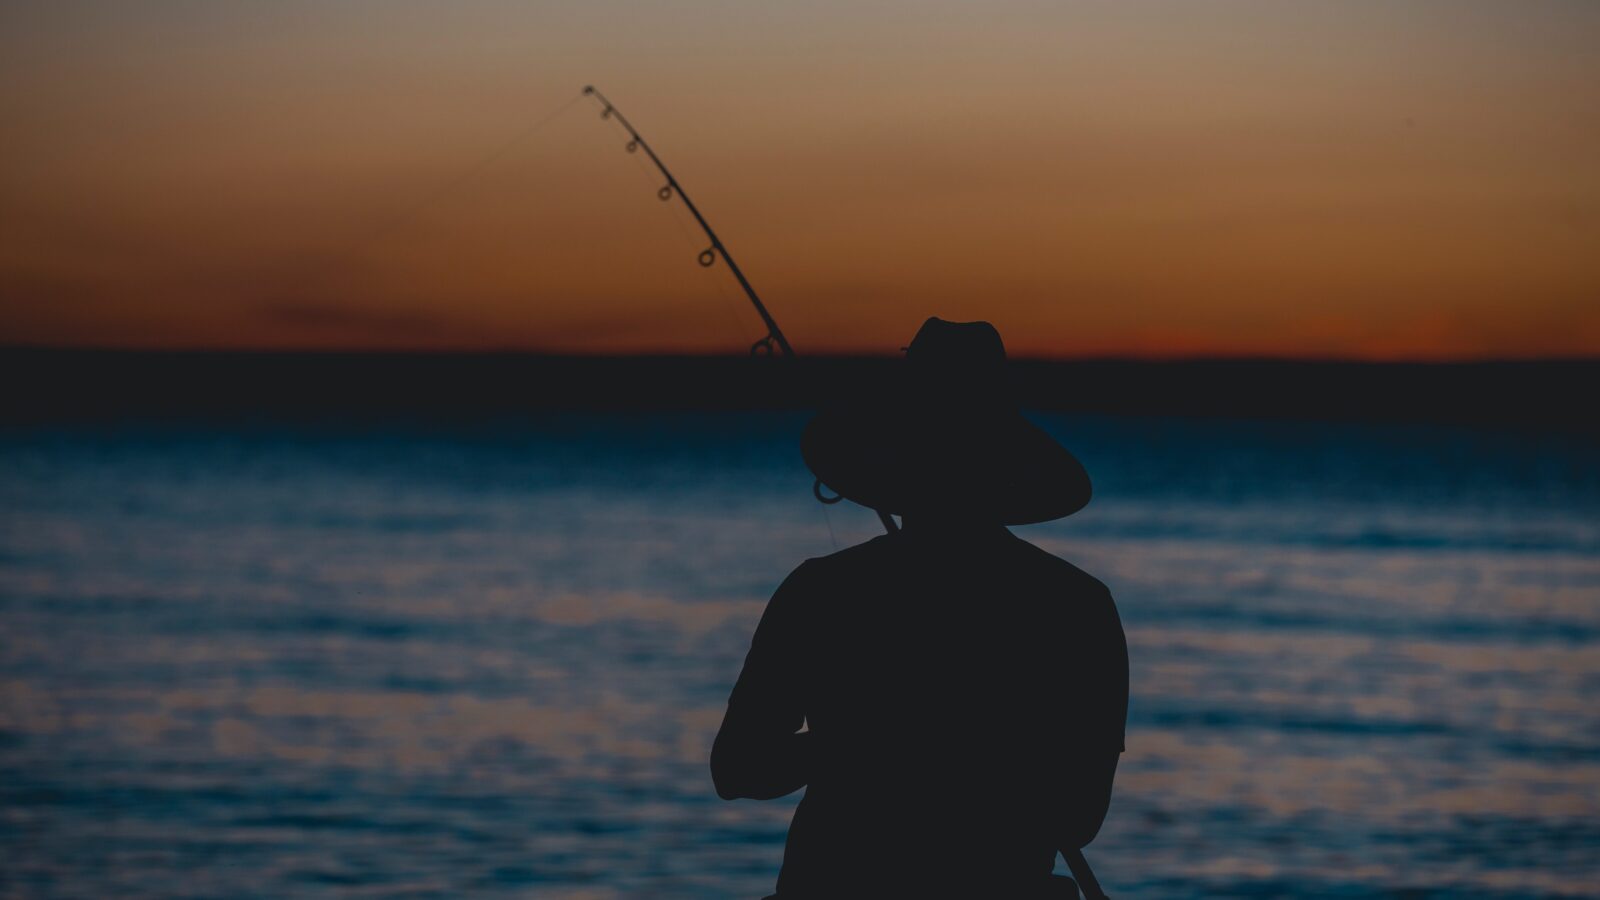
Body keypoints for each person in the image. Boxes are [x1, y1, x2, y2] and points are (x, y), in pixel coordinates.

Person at [711, 318, 1128, 898]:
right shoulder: (1078, 607)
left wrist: (854, 747)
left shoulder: (821, 591)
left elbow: (738, 767)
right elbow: (1080, 815)